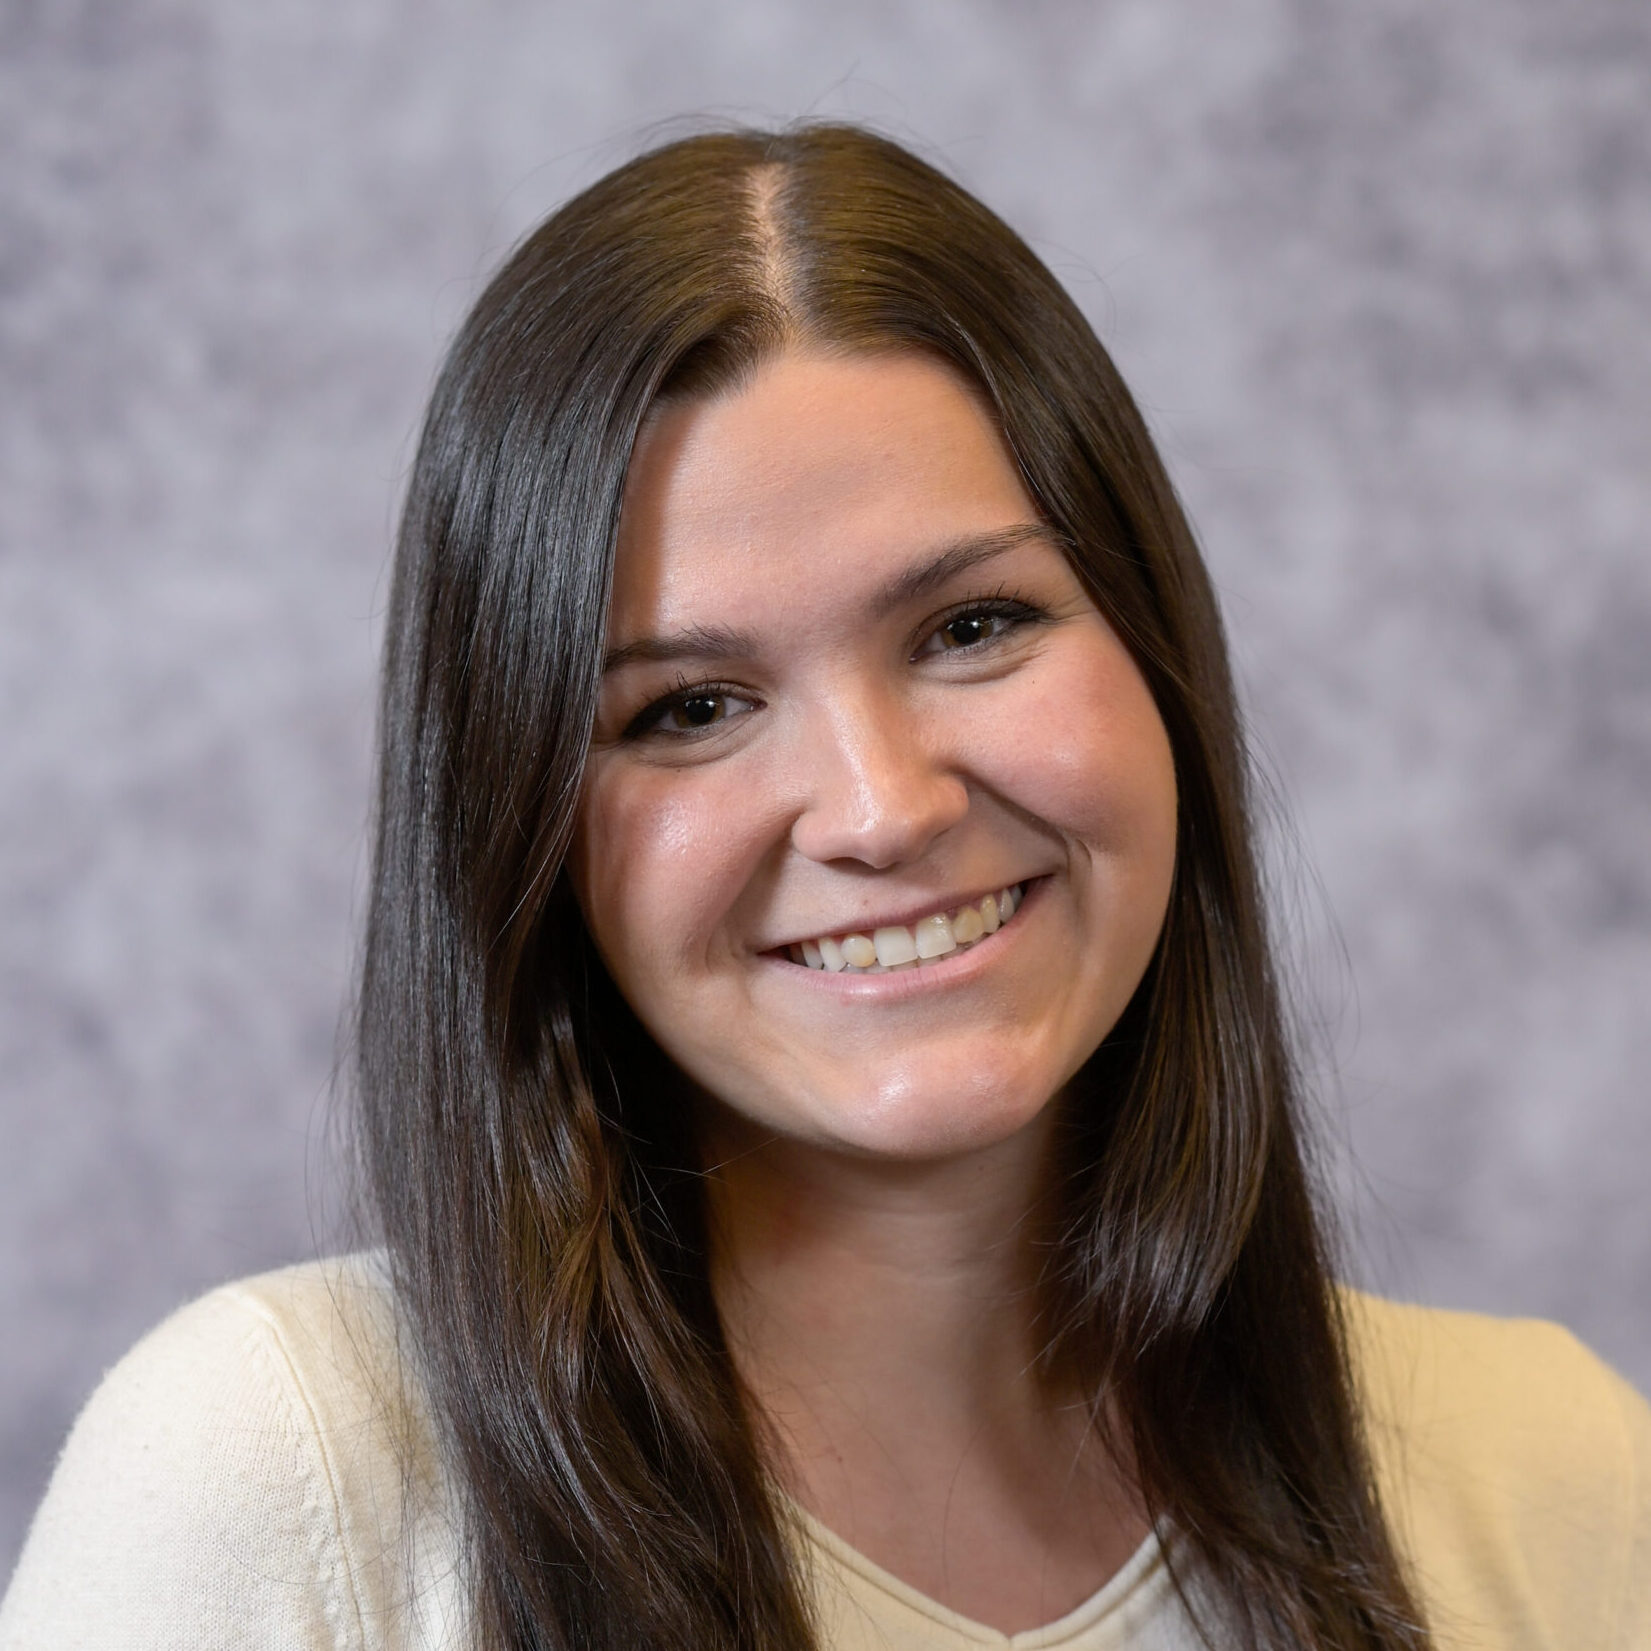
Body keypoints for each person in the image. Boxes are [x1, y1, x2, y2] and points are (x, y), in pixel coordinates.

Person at [2, 122, 1646, 1651]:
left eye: (972, 627)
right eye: (690, 710)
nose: (880, 809)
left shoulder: (1556, 1481)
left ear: (1159, 654)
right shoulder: (282, 1478)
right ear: (521, 833)